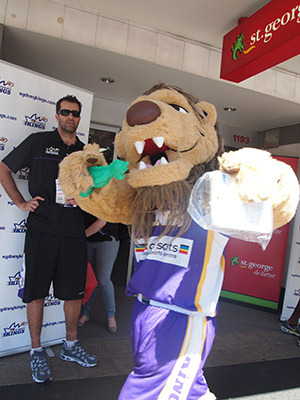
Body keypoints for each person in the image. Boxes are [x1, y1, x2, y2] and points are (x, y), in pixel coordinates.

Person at [0, 95, 98, 384]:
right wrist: (20, 201)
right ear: (57, 116)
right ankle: (36, 350)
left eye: (75, 113)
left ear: (79, 118)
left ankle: (70, 346)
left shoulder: (85, 153)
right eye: (66, 112)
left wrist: (86, 200)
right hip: (41, 231)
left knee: (73, 294)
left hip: (73, 234)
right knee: (36, 292)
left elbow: (96, 193)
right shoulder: (38, 141)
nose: (71, 117)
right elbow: (4, 168)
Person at [78, 212, 119, 333]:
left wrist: (79, 237)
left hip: (106, 239)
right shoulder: (80, 193)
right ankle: (85, 313)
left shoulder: (105, 193)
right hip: (87, 239)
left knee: (103, 279)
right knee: (88, 279)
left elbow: (101, 222)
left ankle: (111, 316)